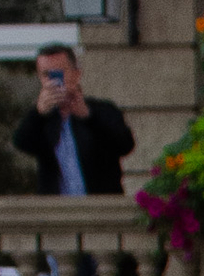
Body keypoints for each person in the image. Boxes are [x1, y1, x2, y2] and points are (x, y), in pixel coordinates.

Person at [10, 43, 134, 198]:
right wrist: (38, 114)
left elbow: (125, 145)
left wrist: (88, 117)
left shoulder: (102, 110)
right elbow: (21, 143)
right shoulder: (42, 119)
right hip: (57, 211)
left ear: (76, 74)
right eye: (45, 75)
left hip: (100, 209)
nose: (53, 81)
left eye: (58, 73)